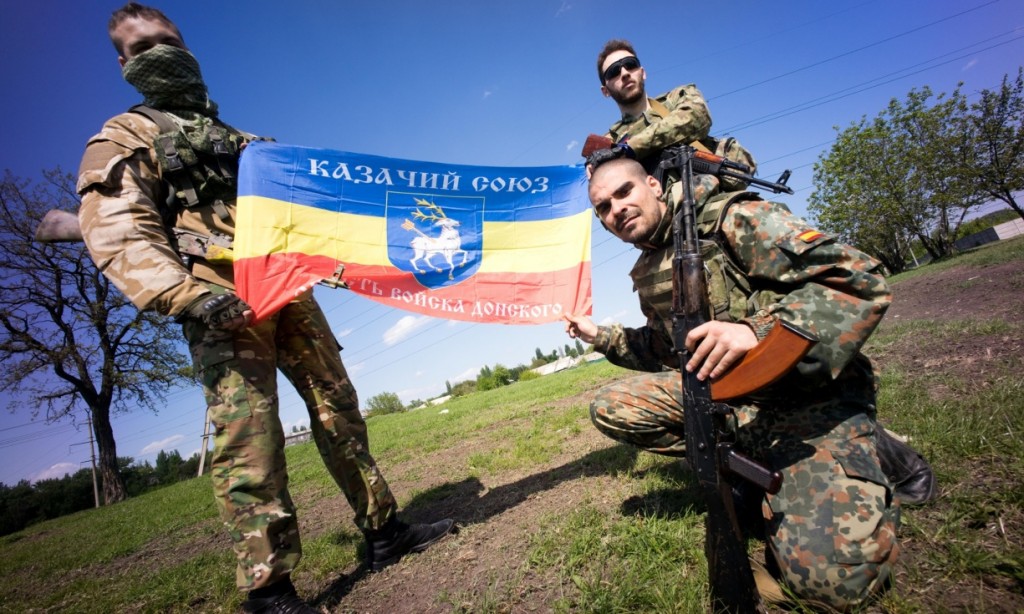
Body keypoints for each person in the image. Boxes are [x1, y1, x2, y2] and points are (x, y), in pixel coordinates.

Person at [76, 4, 454, 612]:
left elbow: (306, 208)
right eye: (143, 48)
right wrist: (191, 296)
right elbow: (120, 228)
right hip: (220, 299)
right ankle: (269, 588)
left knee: (340, 410)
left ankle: (385, 531)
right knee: (250, 437)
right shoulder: (124, 137)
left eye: (168, 40)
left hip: (288, 289)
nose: (161, 52)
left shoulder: (238, 139)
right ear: (124, 64)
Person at [563, 153, 936, 610]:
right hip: (735, 399)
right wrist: (598, 335)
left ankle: (866, 446)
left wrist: (755, 331)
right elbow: (665, 349)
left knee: (832, 585)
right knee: (613, 406)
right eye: (603, 207)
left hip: (808, 401)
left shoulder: (733, 218)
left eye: (624, 192)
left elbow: (858, 279)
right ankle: (752, 460)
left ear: (654, 187)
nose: (616, 209)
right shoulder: (650, 265)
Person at [594, 39, 756, 192]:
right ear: (605, 91)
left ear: (642, 73)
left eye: (630, 64)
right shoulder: (609, 143)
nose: (624, 73)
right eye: (614, 71)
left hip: (710, 200)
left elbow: (698, 117)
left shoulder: (677, 98)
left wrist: (632, 148)